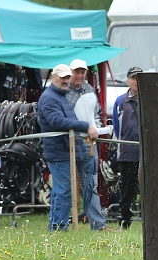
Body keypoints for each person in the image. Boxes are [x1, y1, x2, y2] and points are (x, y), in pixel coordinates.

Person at [37, 64, 99, 232]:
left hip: (65, 150)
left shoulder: (61, 96)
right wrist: (85, 126)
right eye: (62, 77)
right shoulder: (50, 98)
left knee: (62, 191)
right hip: (59, 152)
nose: (65, 81)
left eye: (67, 77)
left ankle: (57, 227)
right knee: (64, 190)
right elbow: (57, 121)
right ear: (53, 78)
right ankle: (58, 228)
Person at [67, 59, 109, 231]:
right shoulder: (63, 91)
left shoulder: (90, 89)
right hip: (68, 145)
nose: (79, 75)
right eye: (76, 72)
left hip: (88, 145)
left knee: (90, 185)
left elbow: (97, 114)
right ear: (70, 73)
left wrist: (97, 130)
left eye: (82, 72)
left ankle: (98, 225)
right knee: (64, 186)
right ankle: (59, 224)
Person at [112, 66, 142, 229]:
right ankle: (125, 219)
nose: (136, 81)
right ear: (127, 81)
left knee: (149, 187)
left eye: (139, 77)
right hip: (127, 152)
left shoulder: (150, 100)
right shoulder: (120, 101)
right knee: (127, 189)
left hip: (146, 153)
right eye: (133, 78)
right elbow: (117, 127)